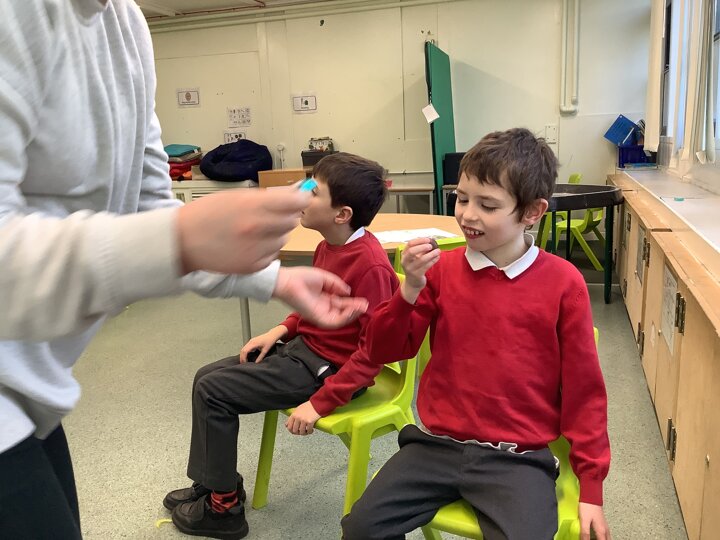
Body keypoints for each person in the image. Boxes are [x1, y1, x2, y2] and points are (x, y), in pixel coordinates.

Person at [0, 1, 366, 538]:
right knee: (210, 382)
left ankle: (220, 499)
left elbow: (152, 208)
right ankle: (218, 494)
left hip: (30, 385)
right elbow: (168, 234)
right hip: (16, 385)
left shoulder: (125, 24)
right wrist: (184, 243)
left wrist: (274, 280)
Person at [341, 128, 612, 540]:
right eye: (462, 198)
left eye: (487, 205)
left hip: (517, 458)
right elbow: (383, 350)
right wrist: (408, 290)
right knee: (361, 528)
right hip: (436, 447)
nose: (468, 215)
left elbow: (584, 391)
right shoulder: (440, 271)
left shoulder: (563, 283)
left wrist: (591, 486)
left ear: (532, 212)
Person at [165, 152, 399, 539]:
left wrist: (320, 403)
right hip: (304, 351)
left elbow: (374, 354)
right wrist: (280, 329)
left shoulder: (371, 265)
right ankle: (215, 483)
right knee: (206, 375)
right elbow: (314, 307)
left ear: (341, 214)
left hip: (331, 372)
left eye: (313, 191)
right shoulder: (328, 246)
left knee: (214, 391)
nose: (301, 195)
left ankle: (224, 509)